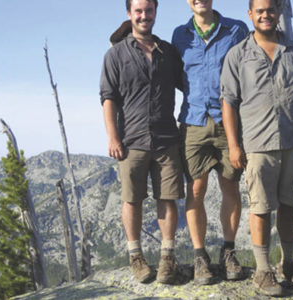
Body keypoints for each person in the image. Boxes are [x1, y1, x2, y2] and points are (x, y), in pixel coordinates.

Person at [220, 0, 293, 296]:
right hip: (258, 144)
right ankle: (262, 271)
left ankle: (287, 264)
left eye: (270, 9)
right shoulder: (238, 55)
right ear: (250, 15)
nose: (265, 15)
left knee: (289, 205)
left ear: (279, 12)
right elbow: (229, 103)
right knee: (261, 207)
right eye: (259, 10)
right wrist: (234, 145)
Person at [100, 0, 184, 285]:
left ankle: (166, 258)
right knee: (132, 199)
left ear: (155, 12)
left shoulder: (168, 52)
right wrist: (112, 136)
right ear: (129, 14)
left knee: (168, 198)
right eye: (138, 10)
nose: (144, 15)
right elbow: (108, 98)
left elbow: (189, 83)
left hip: (166, 138)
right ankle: (136, 256)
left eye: (149, 10)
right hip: (131, 139)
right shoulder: (115, 55)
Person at [171, 0, 249, 285]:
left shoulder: (236, 30)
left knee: (230, 184)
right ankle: (200, 256)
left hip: (229, 120)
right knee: (196, 189)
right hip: (193, 121)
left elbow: (246, 71)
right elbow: (180, 78)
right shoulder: (180, 35)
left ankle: (228, 252)